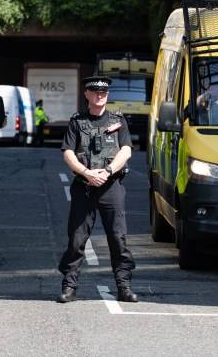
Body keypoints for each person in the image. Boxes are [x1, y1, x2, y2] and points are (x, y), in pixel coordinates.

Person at [56, 76, 138, 304]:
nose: (100, 95)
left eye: (104, 92)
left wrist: (108, 171)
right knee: (77, 238)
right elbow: (68, 153)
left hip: (111, 186)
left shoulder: (118, 120)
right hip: (84, 186)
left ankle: (124, 286)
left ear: (107, 95)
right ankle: (69, 286)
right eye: (95, 92)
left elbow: (126, 151)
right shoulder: (76, 121)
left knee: (117, 237)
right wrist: (86, 173)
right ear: (87, 94)